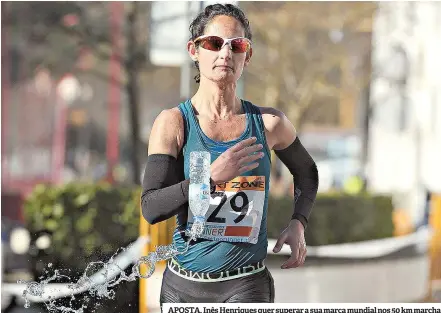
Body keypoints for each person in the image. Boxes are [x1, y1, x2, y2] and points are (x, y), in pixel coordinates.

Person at [141, 3, 319, 304]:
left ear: (246, 56)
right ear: (193, 50)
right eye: (213, 43)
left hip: (245, 285)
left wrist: (298, 221)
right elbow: (151, 208)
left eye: (236, 45)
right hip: (183, 287)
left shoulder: (269, 124)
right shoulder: (173, 123)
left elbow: (307, 172)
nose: (225, 53)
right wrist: (209, 179)